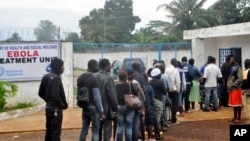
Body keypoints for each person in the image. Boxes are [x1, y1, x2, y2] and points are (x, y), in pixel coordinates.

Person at [38, 58, 68, 141]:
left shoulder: (46, 77)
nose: (63, 68)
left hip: (48, 108)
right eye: (62, 66)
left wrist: (48, 100)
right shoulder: (56, 78)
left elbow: (40, 93)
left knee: (49, 131)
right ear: (58, 67)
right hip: (56, 109)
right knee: (55, 132)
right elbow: (55, 94)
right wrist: (61, 103)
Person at [78, 59, 105, 141]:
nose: (97, 67)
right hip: (93, 108)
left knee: (84, 130)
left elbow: (79, 93)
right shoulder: (94, 78)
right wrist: (101, 111)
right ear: (92, 66)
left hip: (84, 107)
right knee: (95, 131)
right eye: (96, 65)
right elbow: (97, 97)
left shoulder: (80, 78)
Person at [96, 58, 118, 141]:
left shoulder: (95, 76)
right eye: (109, 65)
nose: (110, 67)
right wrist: (116, 108)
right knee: (107, 130)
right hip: (106, 108)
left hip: (96, 108)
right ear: (106, 66)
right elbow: (112, 95)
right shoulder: (108, 78)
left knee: (97, 130)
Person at [115, 71, 137, 141]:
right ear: (126, 78)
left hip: (119, 107)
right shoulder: (129, 85)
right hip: (129, 107)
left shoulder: (115, 86)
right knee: (129, 128)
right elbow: (136, 93)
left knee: (120, 127)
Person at [149, 68, 167, 140]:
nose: (160, 75)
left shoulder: (149, 82)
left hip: (151, 101)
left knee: (152, 117)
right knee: (157, 118)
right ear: (157, 75)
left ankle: (152, 133)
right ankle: (157, 135)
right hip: (158, 101)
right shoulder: (160, 82)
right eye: (159, 74)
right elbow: (165, 92)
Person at [165, 58, 181, 124]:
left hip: (166, 89)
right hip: (174, 89)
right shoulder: (175, 70)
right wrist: (178, 90)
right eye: (176, 62)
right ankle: (173, 119)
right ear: (174, 62)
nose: (177, 64)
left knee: (166, 104)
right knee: (174, 104)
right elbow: (177, 82)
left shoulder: (165, 69)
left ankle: (167, 118)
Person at [227, 56, 243, 123]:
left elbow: (240, 79)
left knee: (238, 104)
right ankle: (235, 117)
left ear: (235, 60)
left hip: (236, 89)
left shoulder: (238, 68)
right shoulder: (232, 68)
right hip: (232, 89)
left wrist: (233, 84)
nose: (230, 60)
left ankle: (238, 118)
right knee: (234, 105)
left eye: (231, 59)